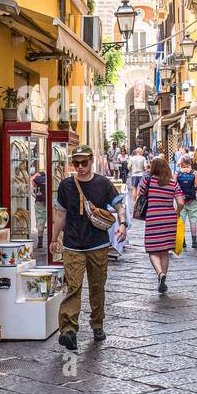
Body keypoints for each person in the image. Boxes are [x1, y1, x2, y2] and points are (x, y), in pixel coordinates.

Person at [51, 144, 127, 350]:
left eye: (84, 163)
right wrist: (53, 238)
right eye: (76, 163)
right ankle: (68, 330)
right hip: (73, 245)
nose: (80, 167)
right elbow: (60, 215)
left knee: (96, 287)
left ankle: (97, 324)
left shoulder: (103, 184)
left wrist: (123, 223)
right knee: (73, 287)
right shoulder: (66, 185)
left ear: (92, 161)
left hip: (98, 244)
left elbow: (119, 205)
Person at [141, 156, 184, 293]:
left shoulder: (148, 181)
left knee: (152, 249)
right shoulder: (173, 183)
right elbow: (181, 202)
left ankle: (160, 274)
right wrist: (176, 213)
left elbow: (140, 196)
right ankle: (163, 280)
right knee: (164, 250)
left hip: (153, 217)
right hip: (169, 219)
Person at [175, 154, 197, 251]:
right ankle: (194, 241)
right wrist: (194, 196)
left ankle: (182, 241)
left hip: (181, 200)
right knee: (193, 221)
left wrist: (178, 197)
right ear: (190, 162)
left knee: (181, 220)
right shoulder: (195, 173)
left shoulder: (177, 173)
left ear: (182, 162)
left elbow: (173, 187)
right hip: (193, 201)